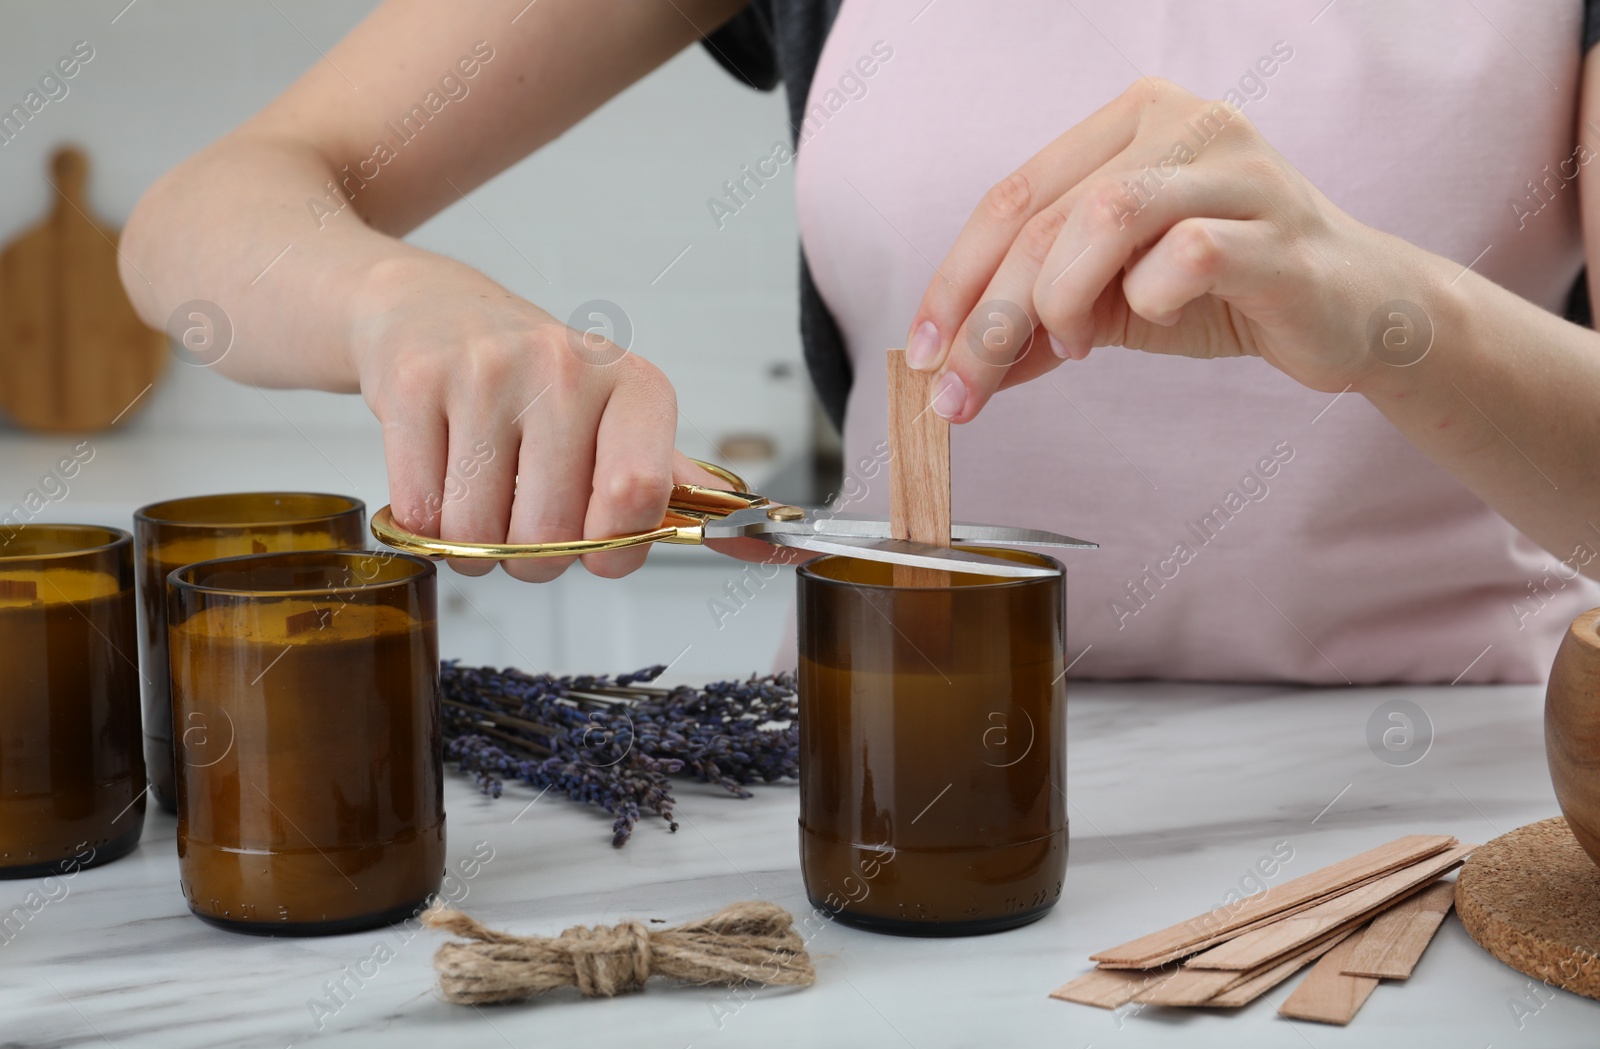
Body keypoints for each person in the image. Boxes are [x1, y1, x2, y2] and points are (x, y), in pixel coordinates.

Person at [123, 0, 1600, 683]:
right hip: (879, 784)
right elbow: (204, 214)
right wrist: (400, 307)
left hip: (1458, 823)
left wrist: (1400, 319)